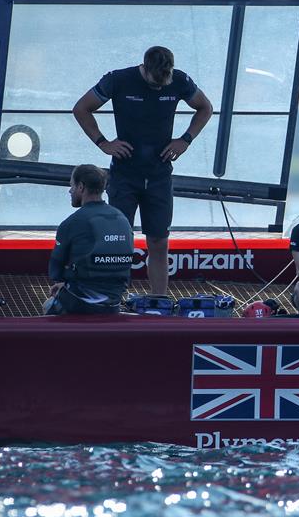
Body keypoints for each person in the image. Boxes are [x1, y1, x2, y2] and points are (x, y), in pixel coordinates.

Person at [73, 46, 213, 295]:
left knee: (159, 241)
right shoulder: (118, 79)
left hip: (159, 175)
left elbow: (205, 107)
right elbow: (81, 108)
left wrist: (186, 139)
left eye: (164, 83)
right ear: (145, 68)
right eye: (154, 82)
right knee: (117, 239)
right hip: (125, 174)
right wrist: (103, 143)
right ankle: (113, 297)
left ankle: (159, 299)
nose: (159, 86)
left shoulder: (180, 79)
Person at [45, 164, 134, 315]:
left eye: (72, 185)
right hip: (114, 303)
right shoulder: (122, 218)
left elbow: (56, 271)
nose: (70, 191)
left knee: (48, 304)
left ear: (81, 187)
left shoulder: (72, 222)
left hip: (81, 303)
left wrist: (65, 283)